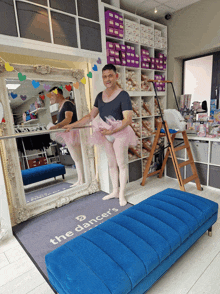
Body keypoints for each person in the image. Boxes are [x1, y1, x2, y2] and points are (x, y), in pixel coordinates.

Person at [63, 64, 137, 206]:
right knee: (111, 164)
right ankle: (115, 191)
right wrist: (71, 125)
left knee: (121, 164)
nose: (107, 79)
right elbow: (90, 116)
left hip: (120, 132)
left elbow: (128, 119)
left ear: (116, 76)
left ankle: (122, 194)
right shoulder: (99, 96)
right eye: (104, 76)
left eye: (110, 75)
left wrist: (112, 131)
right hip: (105, 132)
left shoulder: (123, 95)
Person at [48, 87, 84, 186]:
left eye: (52, 95)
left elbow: (68, 119)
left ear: (58, 94)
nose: (50, 97)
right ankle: (81, 179)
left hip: (72, 133)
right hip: (69, 133)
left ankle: (82, 179)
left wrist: (56, 126)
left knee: (77, 158)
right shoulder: (61, 106)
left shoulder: (67, 104)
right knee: (76, 158)